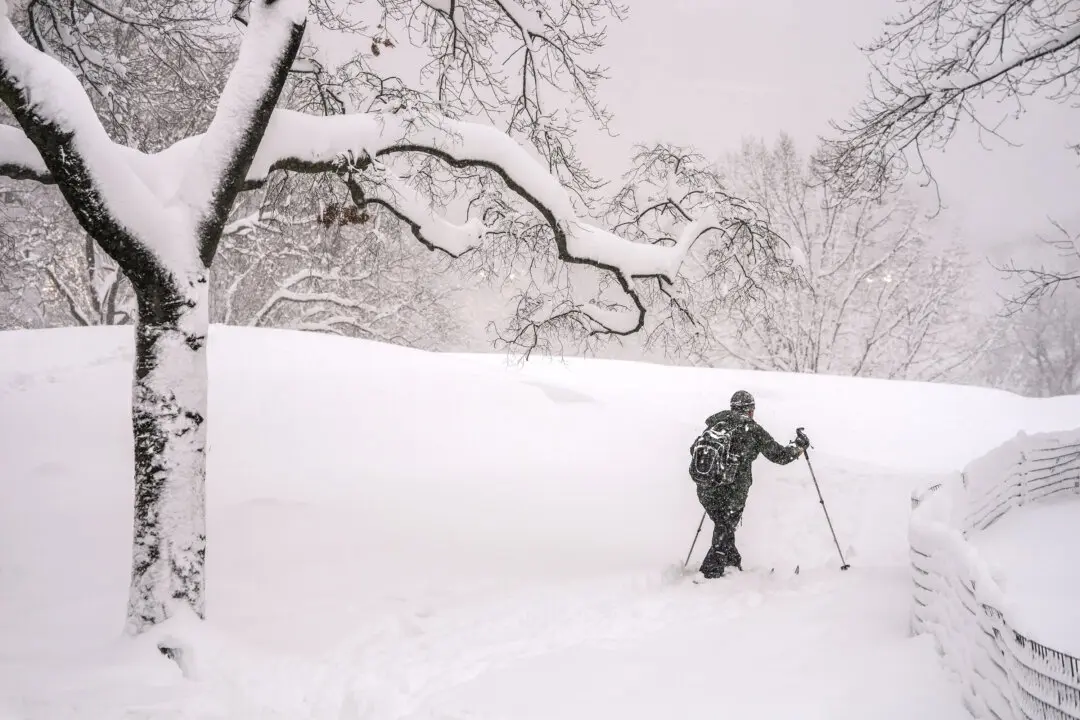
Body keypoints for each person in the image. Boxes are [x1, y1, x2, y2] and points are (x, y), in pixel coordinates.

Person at [692, 390, 809, 579]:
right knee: (725, 525)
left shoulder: (716, 424)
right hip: (733, 491)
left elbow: (694, 450)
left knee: (723, 525)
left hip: (706, 487)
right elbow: (780, 456)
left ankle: (732, 562)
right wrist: (799, 446)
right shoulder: (752, 429)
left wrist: (717, 470)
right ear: (750, 410)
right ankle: (710, 572)